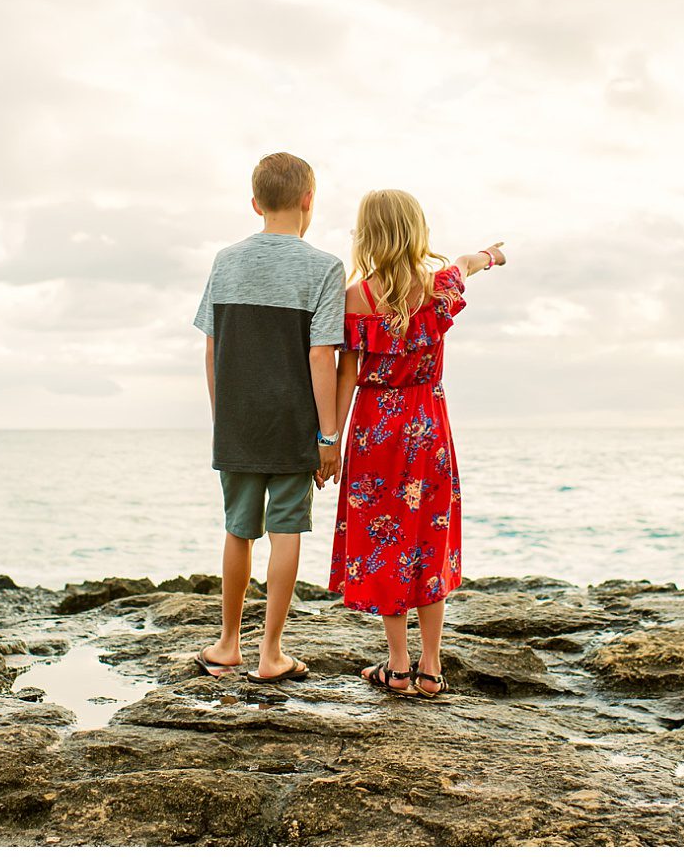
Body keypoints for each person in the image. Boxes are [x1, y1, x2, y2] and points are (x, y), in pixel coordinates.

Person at [325, 188, 506, 698]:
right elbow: (470, 262)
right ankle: (430, 667)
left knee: (386, 541)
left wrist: (330, 441)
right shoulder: (438, 285)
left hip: (374, 429)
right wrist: (493, 255)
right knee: (430, 538)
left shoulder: (356, 297)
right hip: (427, 427)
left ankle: (398, 666)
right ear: (416, 231)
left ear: (368, 235)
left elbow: (346, 376)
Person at [192, 152, 346, 683]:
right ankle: (271, 653)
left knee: (238, 531)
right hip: (292, 424)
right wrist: (329, 436)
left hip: (234, 422)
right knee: (285, 530)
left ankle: (228, 643)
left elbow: (212, 349)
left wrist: (223, 419)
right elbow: (321, 355)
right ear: (309, 200)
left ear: (255, 203)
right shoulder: (324, 267)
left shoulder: (225, 261)